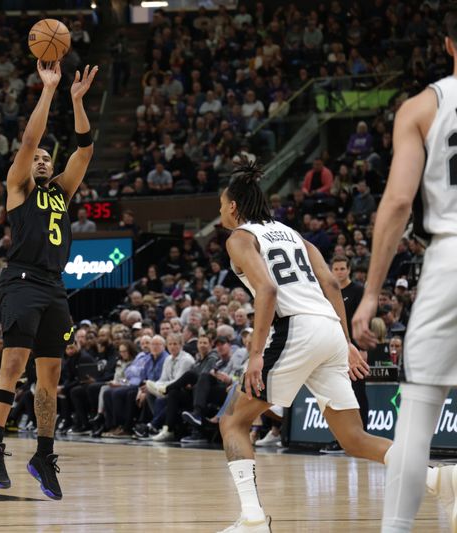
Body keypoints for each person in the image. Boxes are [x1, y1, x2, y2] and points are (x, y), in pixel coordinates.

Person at [215, 160, 450, 533]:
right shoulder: (296, 237)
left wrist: (257, 353)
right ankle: (438, 479)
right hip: (327, 329)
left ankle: (253, 519)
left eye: (221, 205)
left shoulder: (240, 238)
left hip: (295, 329)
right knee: (353, 438)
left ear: (232, 207)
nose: (220, 212)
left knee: (232, 420)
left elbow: (268, 290)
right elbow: (332, 285)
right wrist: (346, 342)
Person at [352, 12, 457, 531]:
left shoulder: (421, 107)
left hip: (448, 259)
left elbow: (396, 203)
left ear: (447, 44)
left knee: (416, 415)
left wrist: (371, 293)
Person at [0, 60, 98, 501]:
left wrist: (77, 101)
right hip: (22, 281)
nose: (44, 160)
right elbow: (30, 140)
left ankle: (42, 455)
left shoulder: (61, 193)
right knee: (13, 364)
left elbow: (84, 150)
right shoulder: (18, 186)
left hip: (54, 285)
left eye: (50, 158)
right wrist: (48, 90)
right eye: (40, 158)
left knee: (50, 375)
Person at [320, 255, 368, 454]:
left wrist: (363, 347)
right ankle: (341, 439)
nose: (339, 272)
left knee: (358, 391)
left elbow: (364, 319)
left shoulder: (357, 290)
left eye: (342, 268)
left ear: (349, 270)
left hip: (354, 347)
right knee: (337, 394)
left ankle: (362, 437)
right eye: (336, 269)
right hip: (334, 348)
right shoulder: (328, 291)